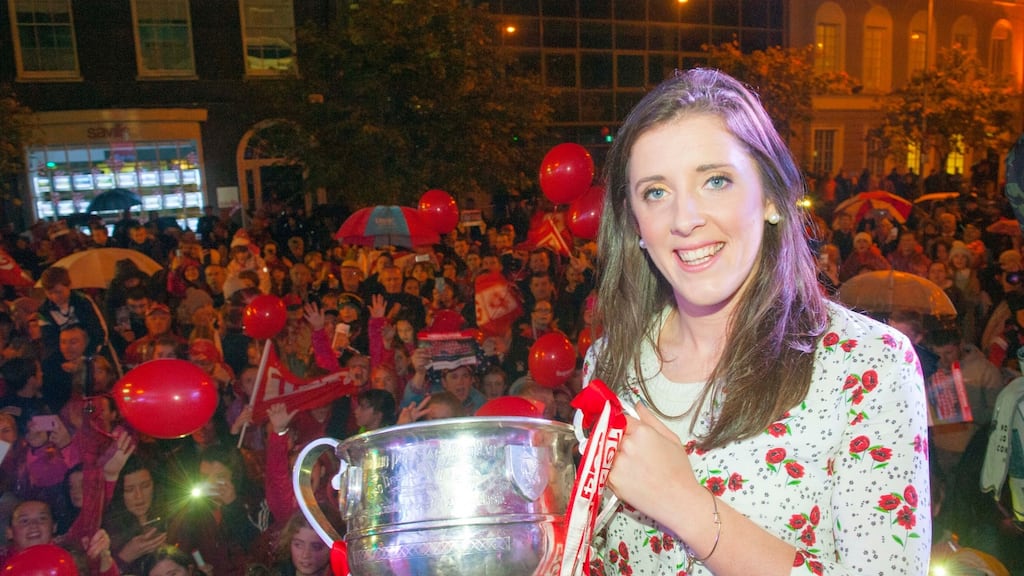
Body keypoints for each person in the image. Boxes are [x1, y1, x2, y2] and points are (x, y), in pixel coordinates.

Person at [586, 69, 930, 575]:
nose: (685, 219)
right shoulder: (612, 362)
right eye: (655, 192)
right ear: (634, 222)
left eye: (716, 181)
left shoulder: (866, 366)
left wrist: (679, 499)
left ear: (770, 197)